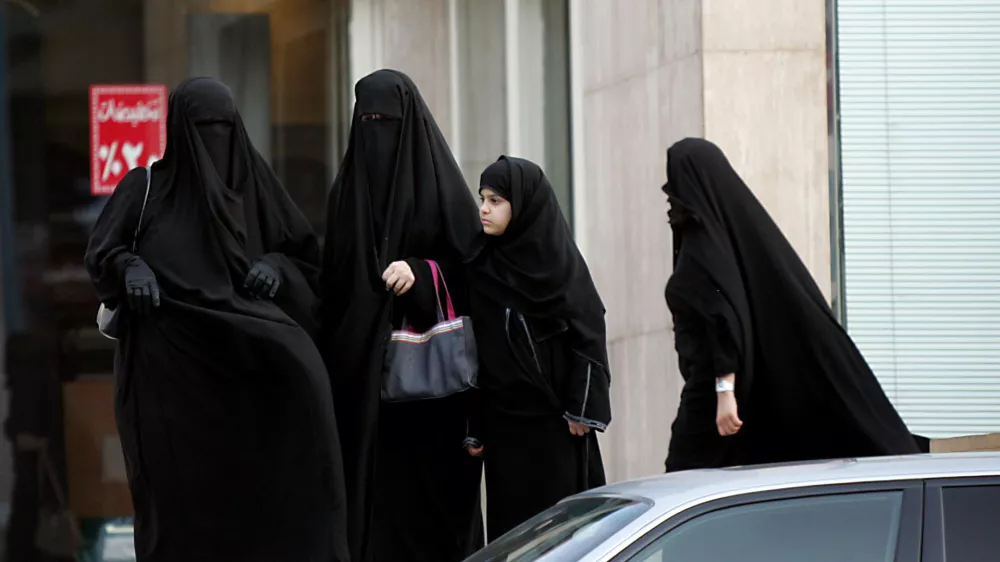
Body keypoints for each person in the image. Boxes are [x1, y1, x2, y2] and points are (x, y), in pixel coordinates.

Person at [84, 77, 348, 562]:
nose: (212, 140)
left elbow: (307, 260)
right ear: (179, 130)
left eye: (222, 127)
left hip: (253, 388)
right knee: (178, 523)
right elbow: (102, 253)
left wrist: (277, 267)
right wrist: (130, 265)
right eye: (201, 128)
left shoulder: (259, 190)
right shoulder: (146, 189)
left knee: (268, 516)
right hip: (172, 392)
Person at [661, 137, 922, 472]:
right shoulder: (716, 239)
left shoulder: (704, 248)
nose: (670, 194)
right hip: (717, 391)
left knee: (685, 477)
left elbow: (721, 317)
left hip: (710, 396)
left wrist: (725, 392)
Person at [319, 69, 484, 562]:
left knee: (436, 523)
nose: (377, 134)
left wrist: (420, 273)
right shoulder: (346, 197)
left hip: (435, 401)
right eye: (367, 121)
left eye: (386, 122)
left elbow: (472, 274)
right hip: (366, 395)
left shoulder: (442, 192)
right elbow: (333, 286)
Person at [465, 156, 612, 540]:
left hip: (555, 424)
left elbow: (589, 330)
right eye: (482, 198)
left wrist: (582, 408)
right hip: (504, 426)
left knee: (563, 532)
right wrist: (476, 426)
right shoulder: (480, 261)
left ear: (524, 204)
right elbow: (478, 352)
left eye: (496, 200)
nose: (484, 208)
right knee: (513, 535)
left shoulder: (558, 264)